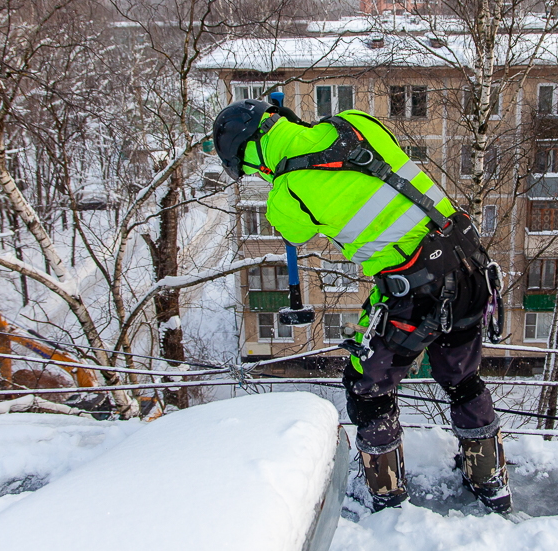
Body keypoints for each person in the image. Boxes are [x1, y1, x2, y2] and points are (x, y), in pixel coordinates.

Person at [212, 97, 511, 513]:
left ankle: (387, 497)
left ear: (250, 158)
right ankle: (489, 481)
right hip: (470, 265)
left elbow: (295, 233)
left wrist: (282, 181)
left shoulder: (284, 196)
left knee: (365, 386)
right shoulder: (353, 122)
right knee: (462, 378)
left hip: (415, 290)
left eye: (244, 169)